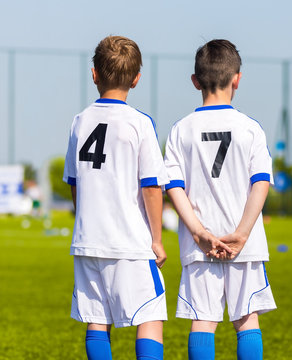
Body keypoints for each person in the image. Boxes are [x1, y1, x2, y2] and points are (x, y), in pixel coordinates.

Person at [164, 39, 276, 360]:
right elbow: (261, 183)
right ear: (237, 79)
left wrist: (199, 232)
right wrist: (241, 234)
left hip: (201, 246)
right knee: (246, 320)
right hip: (244, 244)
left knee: (203, 321)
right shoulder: (250, 129)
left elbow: (174, 187)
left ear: (195, 81)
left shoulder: (180, 130)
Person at [63, 35, 169, 360]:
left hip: (88, 240)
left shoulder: (79, 122)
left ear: (94, 74)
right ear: (136, 79)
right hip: (129, 243)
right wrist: (157, 238)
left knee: (97, 321)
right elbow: (152, 186)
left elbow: (75, 183)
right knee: (150, 315)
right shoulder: (139, 123)